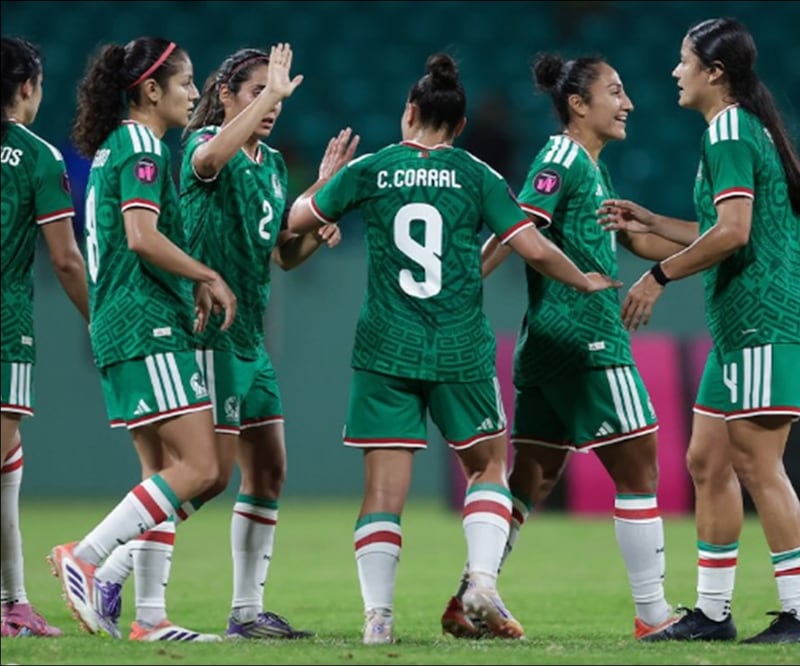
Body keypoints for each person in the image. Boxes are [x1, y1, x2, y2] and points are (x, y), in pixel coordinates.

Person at [287, 52, 619, 644]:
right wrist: (584, 278)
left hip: (385, 348)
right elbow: (532, 247)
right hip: (459, 346)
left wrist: (322, 195)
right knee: (488, 467)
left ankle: (377, 621)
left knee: (383, 492)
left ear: (409, 112)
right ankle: (483, 583)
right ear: (461, 126)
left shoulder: (372, 168)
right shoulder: (478, 175)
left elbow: (295, 219)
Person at [88, 43, 357, 641]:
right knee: (202, 473)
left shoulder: (266, 165)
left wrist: (318, 212)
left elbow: (283, 254)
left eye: (277, 92)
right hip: (211, 334)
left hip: (251, 339)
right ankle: (111, 570)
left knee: (270, 472)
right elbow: (208, 159)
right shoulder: (203, 144)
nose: (272, 103)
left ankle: (246, 612)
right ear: (226, 95)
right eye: (258, 90)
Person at [441, 51, 685, 641]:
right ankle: (653, 616)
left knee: (533, 479)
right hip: (587, 338)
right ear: (579, 105)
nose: (628, 103)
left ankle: (472, 595)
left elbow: (639, 247)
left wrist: (697, 248)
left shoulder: (592, 169)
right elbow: (520, 224)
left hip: (548, 346)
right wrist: (467, 285)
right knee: (642, 468)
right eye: (616, 92)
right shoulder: (562, 155)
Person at [599, 18, 800, 644]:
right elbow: (717, 226)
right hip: (738, 330)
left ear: (714, 73)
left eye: (683, 60)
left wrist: (657, 277)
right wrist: (648, 221)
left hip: (764, 323)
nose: (675, 72)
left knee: (757, 464)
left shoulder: (728, 129)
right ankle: (713, 613)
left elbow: (733, 235)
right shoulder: (737, 129)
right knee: (706, 461)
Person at [47, 35, 236, 643]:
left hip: (124, 323)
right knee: (203, 467)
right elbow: (141, 236)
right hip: (145, 322)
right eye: (185, 83)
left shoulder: (112, 149)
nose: (192, 94)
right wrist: (207, 273)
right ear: (150, 90)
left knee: (162, 475)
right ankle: (87, 555)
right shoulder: (140, 146)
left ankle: (149, 617)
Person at [1, 36, 89, 638]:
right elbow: (65, 260)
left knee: (8, 464)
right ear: (28, 86)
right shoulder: (38, 156)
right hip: (5, 328)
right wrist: (102, 321)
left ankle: (14, 602)